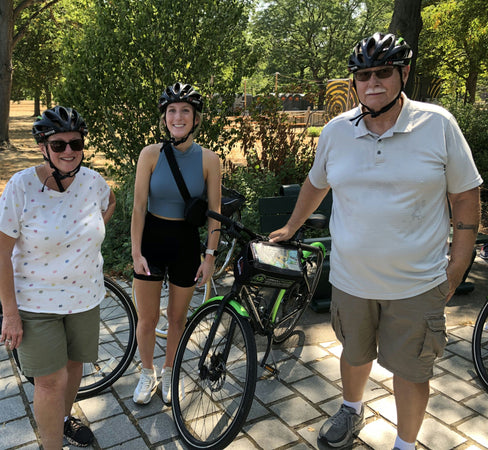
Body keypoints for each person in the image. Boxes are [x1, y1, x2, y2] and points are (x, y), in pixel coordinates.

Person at [270, 33, 482, 450]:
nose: (373, 83)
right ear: (354, 83)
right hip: (351, 281)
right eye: (363, 75)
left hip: (417, 284)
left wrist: (458, 267)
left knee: (412, 371)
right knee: (353, 353)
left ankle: (404, 445)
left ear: (403, 73)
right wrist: (291, 227)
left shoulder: (437, 125)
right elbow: (316, 184)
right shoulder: (336, 131)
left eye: (383, 72)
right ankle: (351, 409)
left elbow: (465, 196)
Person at [0, 106, 116, 449]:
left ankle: (62, 420)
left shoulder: (93, 181)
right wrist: (11, 313)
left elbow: (111, 202)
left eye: (75, 143)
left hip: (85, 297)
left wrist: (91, 232)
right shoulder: (21, 187)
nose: (68, 151)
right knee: (49, 381)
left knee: (74, 367)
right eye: (58, 144)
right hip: (36, 304)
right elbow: (1, 253)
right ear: (42, 146)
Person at [131, 82, 221, 405]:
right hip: (152, 242)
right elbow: (139, 206)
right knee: (148, 319)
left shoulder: (210, 160)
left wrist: (209, 257)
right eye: (172, 111)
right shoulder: (150, 155)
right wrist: (136, 251)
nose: (178, 116)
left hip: (185, 243)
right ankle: (147, 372)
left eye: (185, 111)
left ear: (196, 118)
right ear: (164, 118)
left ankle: (170, 371)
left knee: (177, 318)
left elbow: (215, 213)